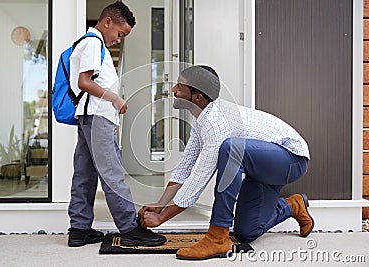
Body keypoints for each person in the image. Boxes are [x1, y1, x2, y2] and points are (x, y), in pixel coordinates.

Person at [138, 65, 313, 260]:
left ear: (197, 97)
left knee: (230, 148)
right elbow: (186, 166)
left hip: (291, 159)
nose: (173, 90)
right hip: (260, 166)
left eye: (180, 86)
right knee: (246, 232)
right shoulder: (200, 119)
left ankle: (217, 238)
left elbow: (199, 178)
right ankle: (293, 206)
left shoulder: (216, 123)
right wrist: (160, 204)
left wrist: (162, 217)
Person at [67, 1, 166, 247]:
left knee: (85, 174)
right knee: (113, 172)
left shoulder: (90, 43)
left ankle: (79, 230)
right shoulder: (93, 42)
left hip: (89, 116)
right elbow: (84, 82)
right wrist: (115, 98)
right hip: (97, 116)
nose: (119, 40)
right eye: (120, 34)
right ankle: (130, 228)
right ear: (108, 22)